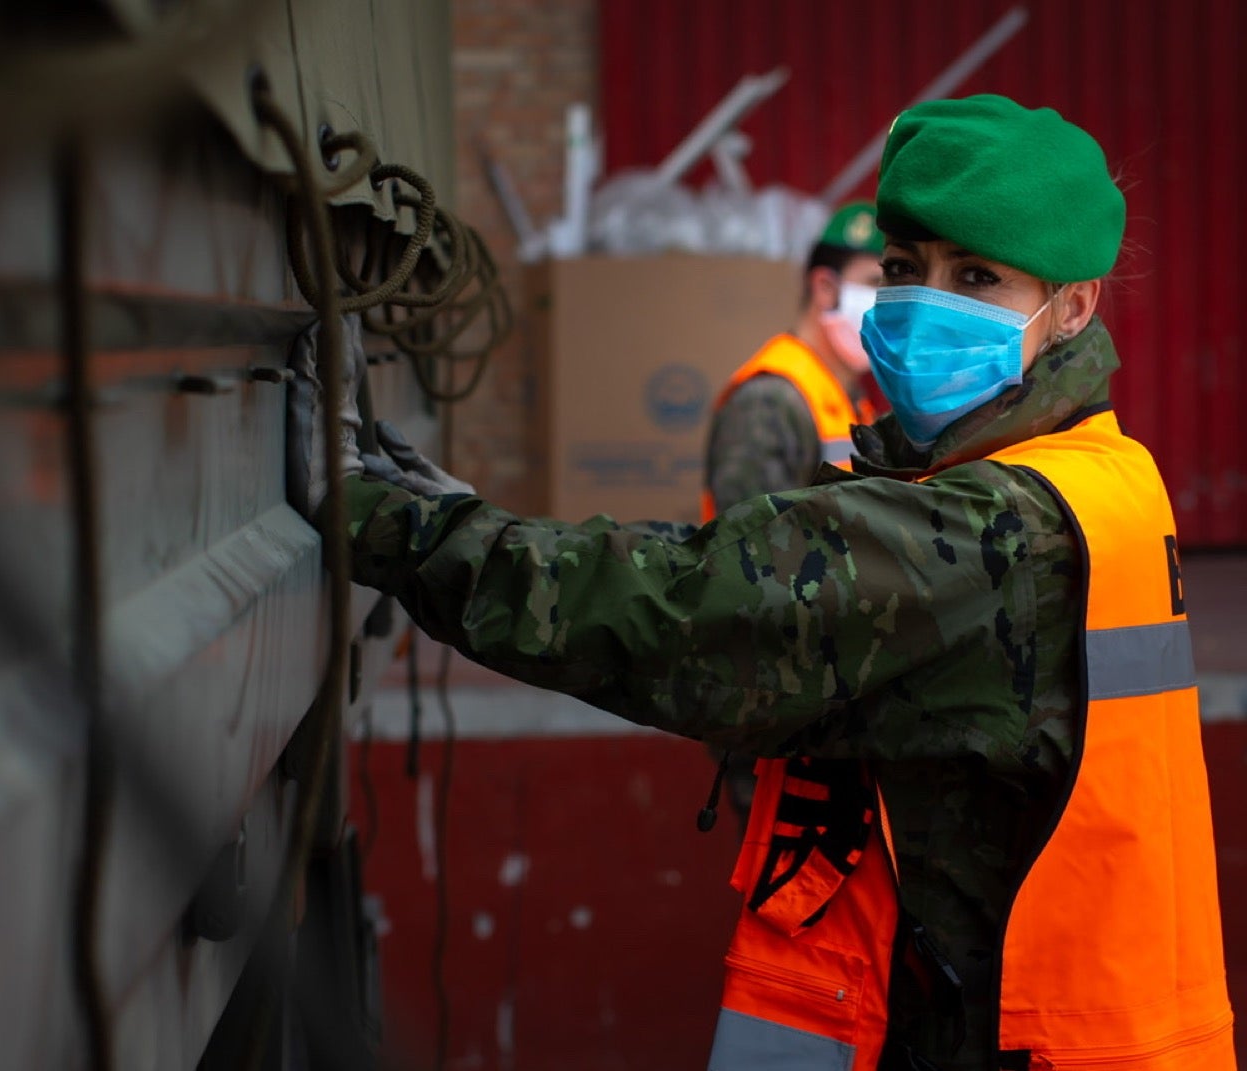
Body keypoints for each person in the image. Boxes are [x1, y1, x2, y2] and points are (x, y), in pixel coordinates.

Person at [296, 94, 1235, 1070]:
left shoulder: (997, 522)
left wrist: (400, 528)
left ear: (1073, 303)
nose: (922, 302)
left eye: (978, 277)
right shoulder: (1107, 474)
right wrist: (479, 521)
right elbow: (750, 562)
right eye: (905, 270)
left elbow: (692, 608)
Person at [699, 200, 886, 830]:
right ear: (824, 286)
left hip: (826, 691)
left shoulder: (844, 395)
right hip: (773, 697)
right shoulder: (772, 399)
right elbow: (752, 566)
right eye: (876, 284)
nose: (887, 304)